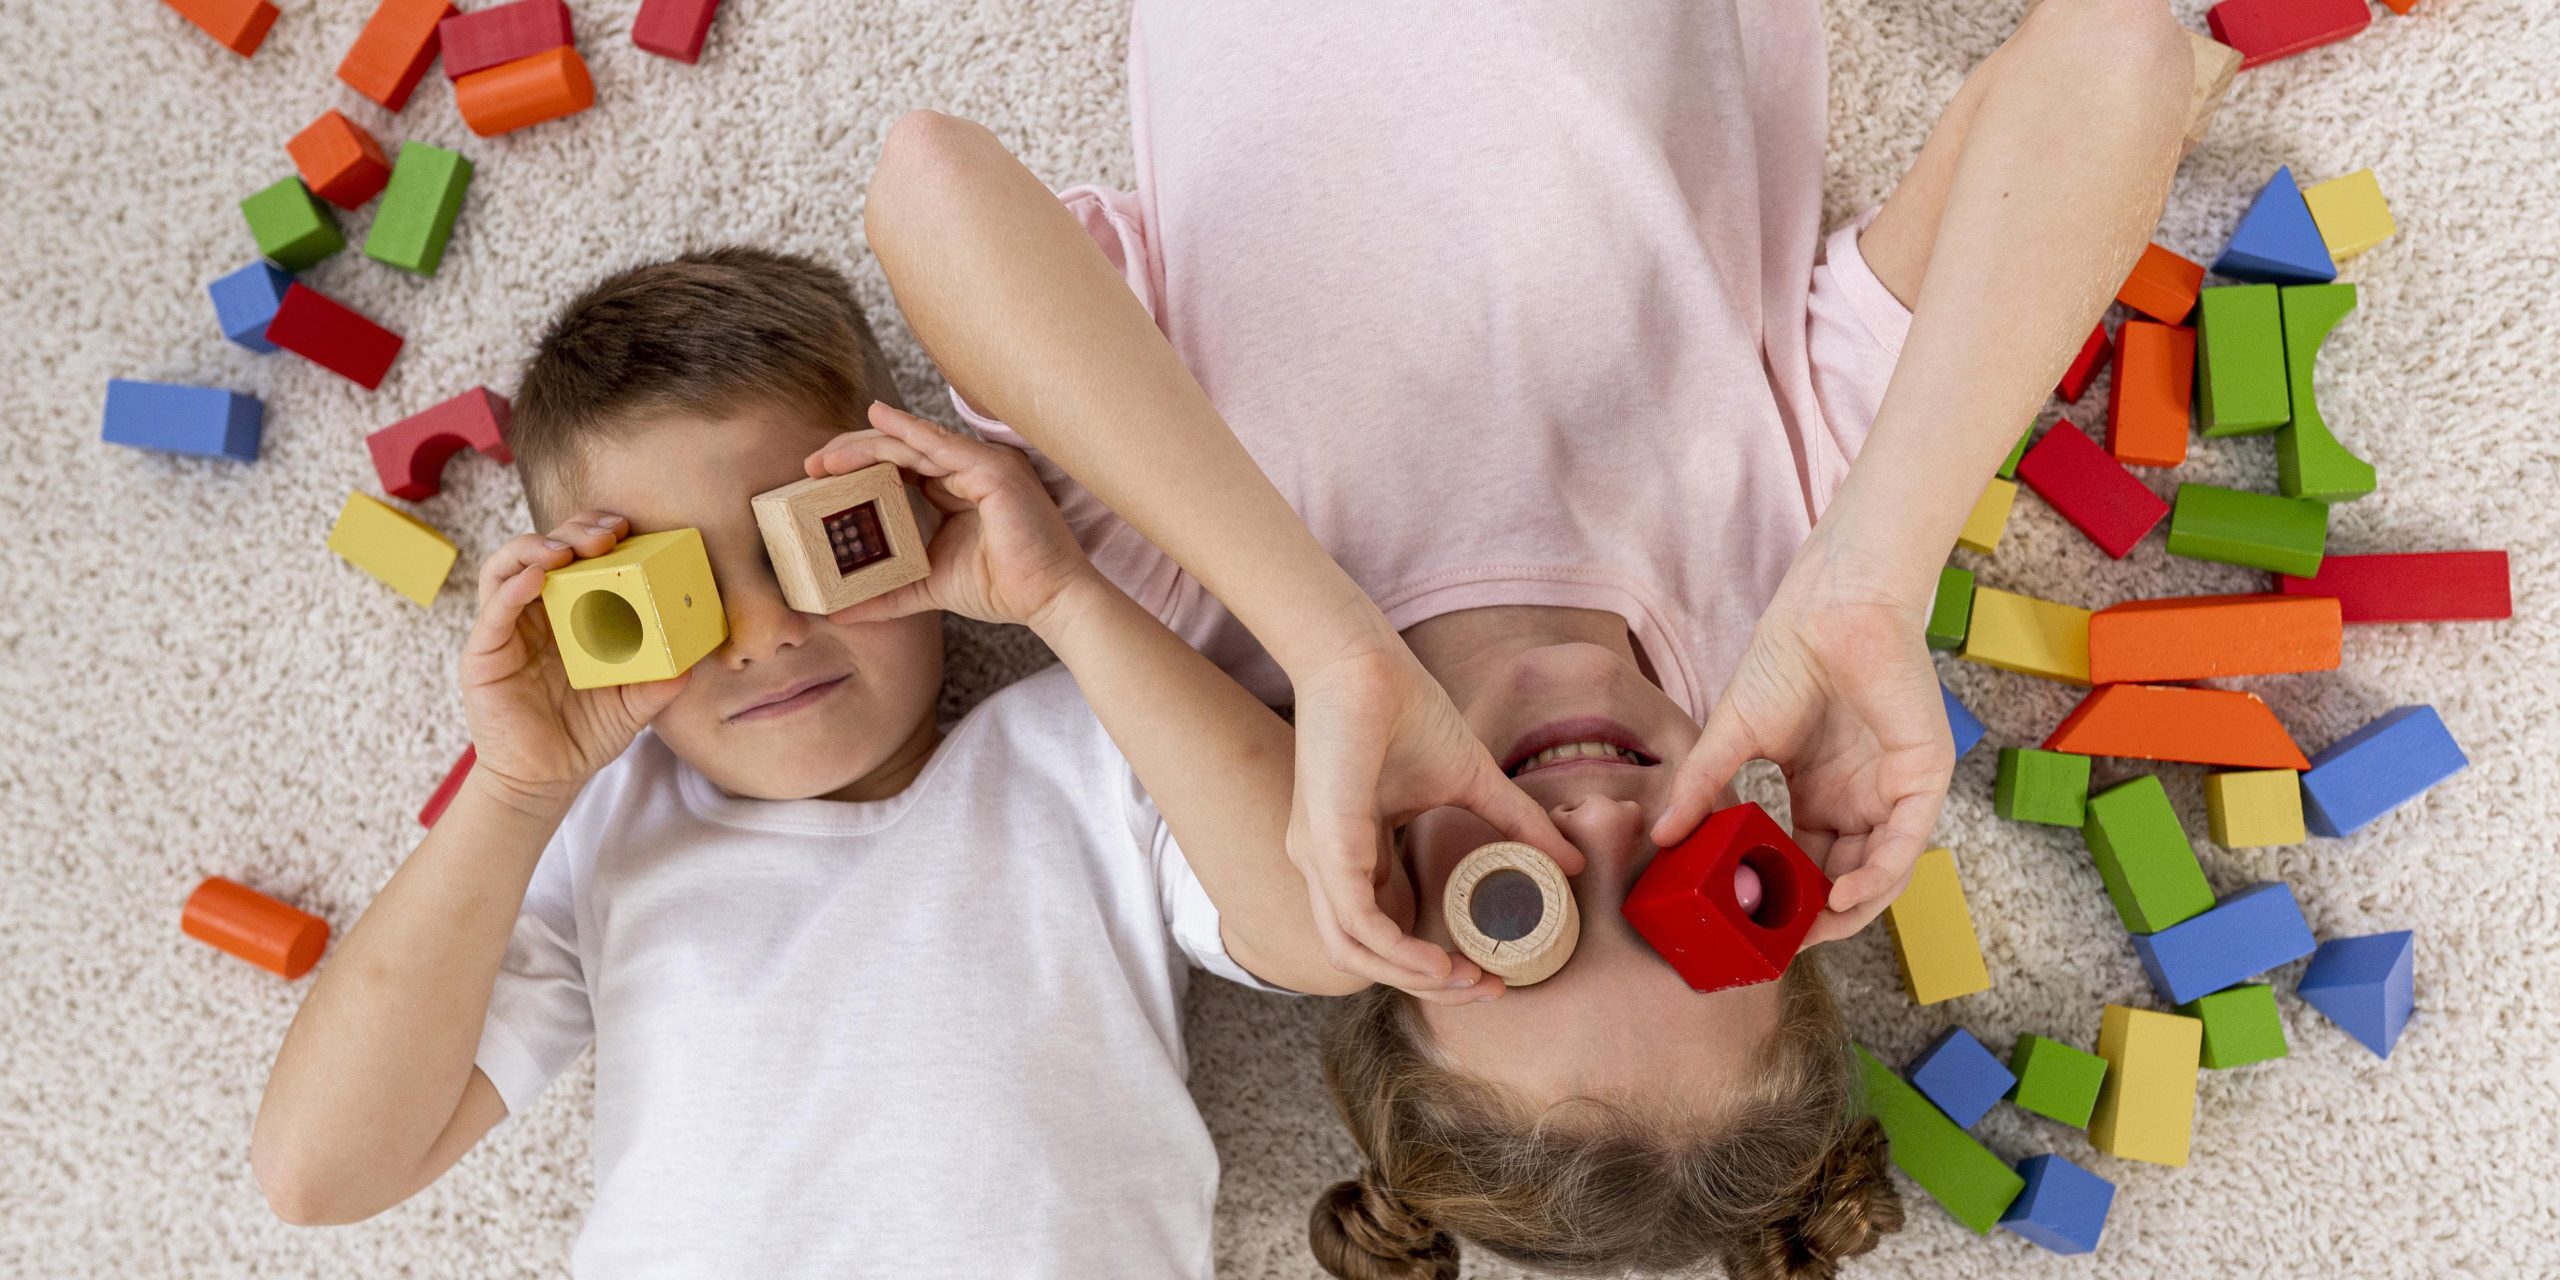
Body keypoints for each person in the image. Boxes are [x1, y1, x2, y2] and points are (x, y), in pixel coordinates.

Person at [858, 0, 2195, 1273]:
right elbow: (2115, 50)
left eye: (1517, 909)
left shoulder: (1204, 577)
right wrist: (1877, 584)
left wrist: (1331, 643)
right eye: (1696, 901)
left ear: (1376, 902)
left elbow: (929, 181)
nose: (1606, 823)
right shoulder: (1794, 556)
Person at [249, 248, 1358, 1278]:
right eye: (673, 595)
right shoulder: (608, 822)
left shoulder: (1085, 747)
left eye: (820, 541)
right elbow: (320, 1172)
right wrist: (514, 788)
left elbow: (1330, 930)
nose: (764, 630)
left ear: (918, 509)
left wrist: (1063, 597)